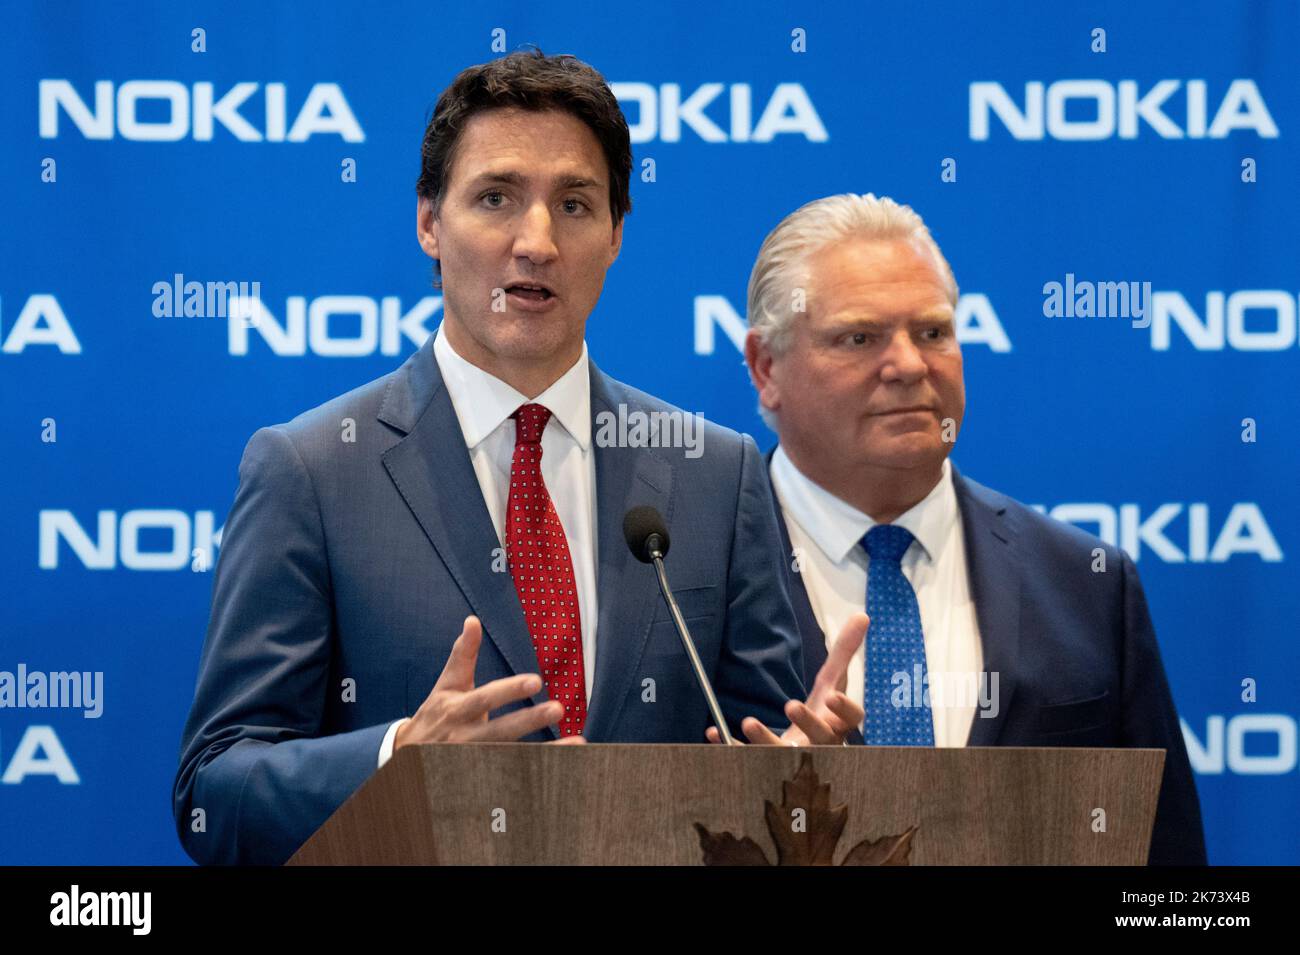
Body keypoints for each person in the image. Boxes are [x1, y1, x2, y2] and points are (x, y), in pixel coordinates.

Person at [173, 50, 861, 867]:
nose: (536, 242)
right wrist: (400, 757)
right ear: (428, 220)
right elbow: (214, 793)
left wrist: (809, 765)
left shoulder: (716, 472)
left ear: (615, 235)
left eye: (574, 204)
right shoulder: (311, 472)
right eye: (496, 197)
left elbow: (775, 739)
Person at [742, 192, 1207, 865]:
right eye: (860, 337)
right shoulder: (686, 575)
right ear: (766, 368)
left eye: (932, 332)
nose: (909, 365)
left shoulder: (1087, 582)